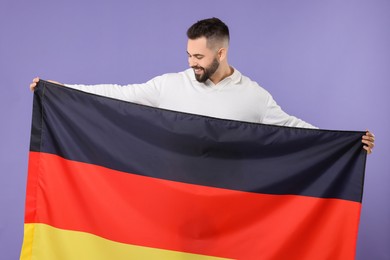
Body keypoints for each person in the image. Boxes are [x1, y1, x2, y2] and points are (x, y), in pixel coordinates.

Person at [29, 17, 375, 153]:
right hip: (174, 202)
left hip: (225, 205)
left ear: (220, 53)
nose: (191, 63)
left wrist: (346, 144)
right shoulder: (169, 86)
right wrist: (61, 89)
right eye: (188, 55)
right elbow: (120, 93)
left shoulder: (253, 96)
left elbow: (292, 129)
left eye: (198, 57)